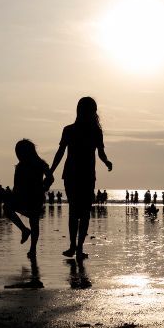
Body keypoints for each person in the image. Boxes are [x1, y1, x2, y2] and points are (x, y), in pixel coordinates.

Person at [49, 97, 112, 260]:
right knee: (83, 212)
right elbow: (61, 152)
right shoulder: (77, 130)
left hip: (75, 175)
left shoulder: (77, 130)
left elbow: (100, 153)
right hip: (82, 175)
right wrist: (51, 170)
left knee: (76, 211)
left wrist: (106, 161)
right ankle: (77, 248)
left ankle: (75, 247)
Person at [4, 139, 52, 258]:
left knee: (33, 221)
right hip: (27, 197)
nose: (18, 154)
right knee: (31, 220)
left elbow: (50, 178)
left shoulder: (39, 163)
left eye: (19, 152)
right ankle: (26, 233)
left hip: (34, 197)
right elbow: (16, 184)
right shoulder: (22, 165)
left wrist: (45, 187)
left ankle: (32, 248)